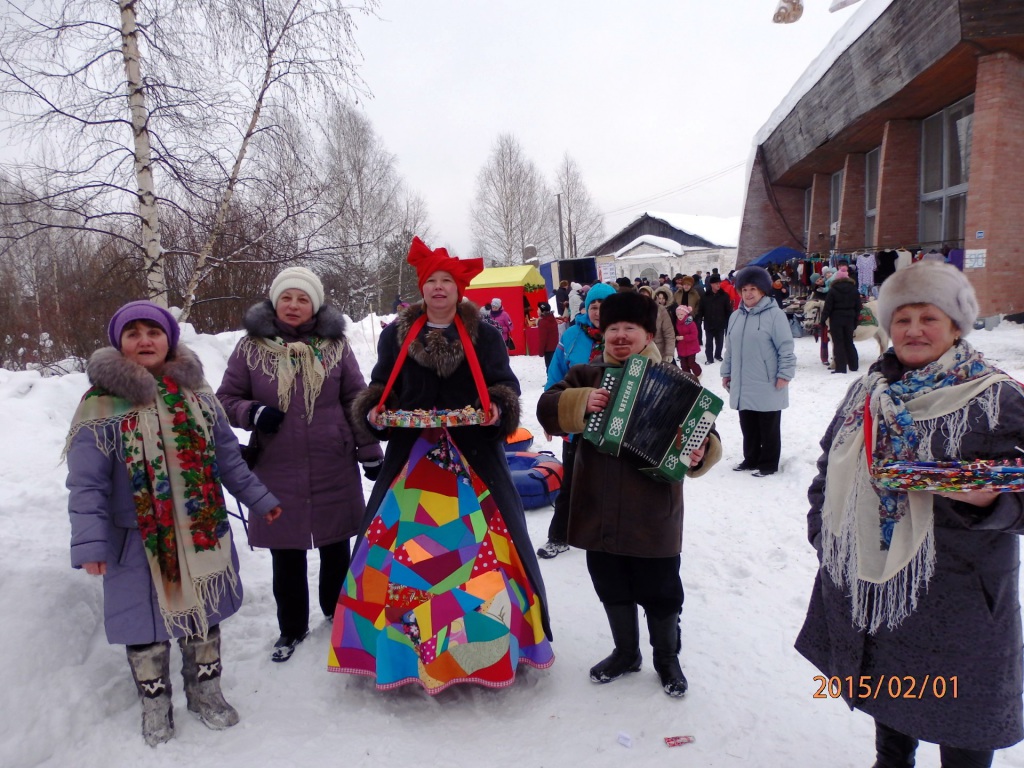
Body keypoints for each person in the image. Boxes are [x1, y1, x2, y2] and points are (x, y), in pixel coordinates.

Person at [795, 261, 1024, 767]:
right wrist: (823, 533)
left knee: (962, 719)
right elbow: (828, 461)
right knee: (891, 692)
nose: (914, 330)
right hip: (880, 582)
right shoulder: (867, 391)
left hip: (962, 597)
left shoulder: (997, 397)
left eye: (929, 317)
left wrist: (994, 504)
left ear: (956, 326)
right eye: (902, 318)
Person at [328, 236, 553, 693]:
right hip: (411, 464)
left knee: (486, 554)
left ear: (459, 289)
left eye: (446, 281)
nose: (438, 288)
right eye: (431, 280)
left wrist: (498, 408)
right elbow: (380, 388)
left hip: (475, 461)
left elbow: (504, 385)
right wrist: (374, 411)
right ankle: (392, 650)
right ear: (421, 287)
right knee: (398, 557)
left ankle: (490, 647)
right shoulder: (397, 334)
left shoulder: (484, 334)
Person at [66, 301, 283, 746]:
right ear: (119, 343)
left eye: (153, 331)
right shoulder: (100, 405)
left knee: (202, 615)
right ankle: (155, 704)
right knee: (144, 627)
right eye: (133, 333)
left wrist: (261, 500)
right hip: (135, 541)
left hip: (200, 530)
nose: (144, 340)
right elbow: (86, 484)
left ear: (169, 339)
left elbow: (227, 457)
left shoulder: (198, 394)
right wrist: (90, 545)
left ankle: (206, 693)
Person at [537, 291, 722, 697]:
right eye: (613, 329)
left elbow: (707, 434)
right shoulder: (586, 375)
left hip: (653, 511)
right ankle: (626, 651)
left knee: (661, 590)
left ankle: (666, 657)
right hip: (597, 507)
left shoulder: (675, 379)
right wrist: (580, 402)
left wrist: (699, 452)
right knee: (610, 583)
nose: (621, 336)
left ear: (647, 333)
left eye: (630, 329)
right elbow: (546, 407)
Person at [217, 267, 383, 663]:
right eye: (287, 297)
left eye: (303, 298)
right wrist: (253, 413)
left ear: (315, 305)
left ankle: (336, 613)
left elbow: (354, 399)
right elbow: (223, 400)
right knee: (285, 553)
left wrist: (369, 451)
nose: (294, 305)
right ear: (275, 301)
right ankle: (291, 628)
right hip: (276, 464)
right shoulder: (250, 348)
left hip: (332, 460)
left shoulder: (335, 346)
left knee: (336, 545)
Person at [534, 282, 617, 560]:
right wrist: (551, 413)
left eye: (604, 306)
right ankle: (559, 535)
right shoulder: (571, 336)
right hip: (576, 422)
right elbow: (555, 376)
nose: (598, 311)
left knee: (611, 484)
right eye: (593, 306)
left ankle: (610, 535)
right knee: (570, 483)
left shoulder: (621, 336)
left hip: (613, 426)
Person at [721, 265, 796, 477]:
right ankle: (751, 458)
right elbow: (730, 349)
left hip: (767, 380)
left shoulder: (775, 315)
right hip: (743, 380)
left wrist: (785, 374)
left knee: (768, 427)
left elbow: (786, 347)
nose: (749, 293)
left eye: (753, 288)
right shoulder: (736, 316)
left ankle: (768, 464)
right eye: (744, 289)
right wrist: (726, 373)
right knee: (748, 425)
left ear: (763, 290)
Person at [821, 265, 863, 374]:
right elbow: (859, 307)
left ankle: (841, 368)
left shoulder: (833, 290)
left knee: (838, 343)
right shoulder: (854, 290)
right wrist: (855, 320)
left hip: (836, 319)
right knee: (849, 342)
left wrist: (823, 320)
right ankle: (854, 366)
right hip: (850, 318)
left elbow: (828, 307)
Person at [701, 273, 732, 364]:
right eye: (716, 283)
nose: (718, 285)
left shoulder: (724, 296)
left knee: (720, 342)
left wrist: (728, 321)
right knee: (709, 342)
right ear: (711, 284)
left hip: (720, 322)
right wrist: (699, 318)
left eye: (719, 283)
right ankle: (709, 358)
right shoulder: (705, 296)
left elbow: (728, 310)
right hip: (709, 322)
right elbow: (701, 309)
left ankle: (718, 355)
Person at [674, 305, 702, 380]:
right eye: (678, 314)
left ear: (686, 314)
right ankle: (688, 377)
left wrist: (684, 337)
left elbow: (694, 335)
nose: (679, 316)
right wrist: (676, 337)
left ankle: (698, 374)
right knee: (683, 364)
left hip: (691, 347)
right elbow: (675, 332)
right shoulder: (676, 323)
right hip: (682, 347)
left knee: (691, 363)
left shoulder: (690, 323)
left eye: (681, 314)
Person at [652, 285, 678, 364]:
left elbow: (675, 323)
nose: (661, 300)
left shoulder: (672, 308)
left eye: (663, 298)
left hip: (669, 336)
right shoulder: (654, 309)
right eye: (659, 298)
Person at [536, 301, 559, 369]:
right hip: (554, 348)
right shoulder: (552, 319)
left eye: (538, 309)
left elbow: (543, 339)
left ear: (542, 311)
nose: (537, 311)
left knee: (549, 368)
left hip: (548, 350)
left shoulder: (543, 322)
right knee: (554, 368)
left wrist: (541, 352)